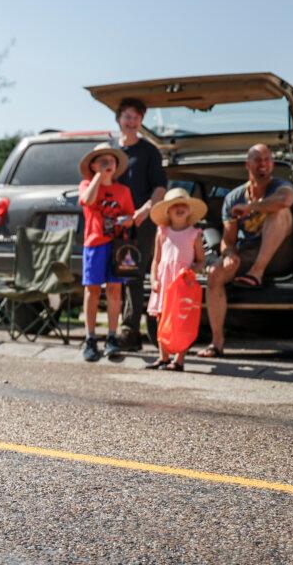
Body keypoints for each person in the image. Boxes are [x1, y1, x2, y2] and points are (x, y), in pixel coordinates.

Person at [202, 144, 293, 358]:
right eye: (258, 159)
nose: (263, 163)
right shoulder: (233, 198)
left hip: (280, 255)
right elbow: (228, 240)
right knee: (214, 273)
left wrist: (251, 207)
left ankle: (257, 272)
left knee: (279, 212)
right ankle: (216, 342)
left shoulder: (281, 186)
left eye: (267, 159)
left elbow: (285, 200)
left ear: (272, 164)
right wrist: (229, 255)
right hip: (248, 253)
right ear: (248, 164)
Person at [110, 98, 168, 351]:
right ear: (119, 119)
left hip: (140, 223)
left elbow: (160, 188)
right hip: (113, 223)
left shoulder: (149, 151)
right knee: (115, 277)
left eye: (136, 117)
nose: (131, 122)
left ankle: (130, 331)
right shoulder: (110, 150)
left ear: (141, 121)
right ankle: (118, 331)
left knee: (133, 275)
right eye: (127, 116)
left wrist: (142, 212)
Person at [78, 144, 135, 362]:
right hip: (94, 244)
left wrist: (127, 220)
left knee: (115, 290)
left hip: (117, 245)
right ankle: (90, 338)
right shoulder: (86, 184)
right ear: (93, 165)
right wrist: (98, 177)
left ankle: (112, 336)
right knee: (92, 290)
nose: (107, 164)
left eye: (111, 161)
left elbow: (130, 215)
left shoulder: (123, 191)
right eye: (102, 161)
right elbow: (88, 200)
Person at [145, 188, 206, 371]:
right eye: (174, 205)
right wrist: (154, 279)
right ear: (168, 211)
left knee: (181, 318)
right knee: (161, 317)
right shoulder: (162, 232)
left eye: (183, 205)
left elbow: (201, 261)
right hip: (164, 282)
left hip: (181, 283)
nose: (179, 208)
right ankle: (163, 357)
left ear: (189, 209)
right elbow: (156, 260)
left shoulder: (194, 234)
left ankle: (179, 359)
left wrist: (190, 271)